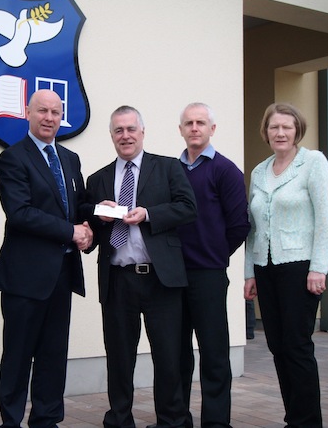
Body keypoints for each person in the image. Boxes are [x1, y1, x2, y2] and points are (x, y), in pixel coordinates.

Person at [85, 105, 197, 428]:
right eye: (118, 130)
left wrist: (148, 214)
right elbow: (91, 230)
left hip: (161, 280)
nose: (125, 136)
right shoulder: (99, 179)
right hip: (119, 281)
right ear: (111, 136)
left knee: (169, 357)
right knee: (119, 359)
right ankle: (119, 420)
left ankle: (172, 421)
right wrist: (96, 217)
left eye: (131, 129)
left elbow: (188, 208)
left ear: (142, 132)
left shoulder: (168, 168)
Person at [0, 89, 93, 428]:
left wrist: (92, 222)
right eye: (42, 111)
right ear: (28, 113)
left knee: (53, 356)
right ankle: (11, 421)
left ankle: (47, 420)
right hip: (24, 277)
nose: (49, 117)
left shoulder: (69, 158)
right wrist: (70, 232)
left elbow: (75, 207)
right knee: (18, 356)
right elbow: (20, 213)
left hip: (62, 274)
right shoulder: (13, 158)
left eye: (55, 111)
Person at [244, 103, 328, 428]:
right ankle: (294, 418)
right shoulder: (259, 171)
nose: (280, 133)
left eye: (287, 126)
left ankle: (308, 422)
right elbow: (252, 226)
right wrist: (250, 272)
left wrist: (319, 268)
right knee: (277, 346)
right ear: (266, 132)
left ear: (297, 129)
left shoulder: (313, 163)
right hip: (266, 269)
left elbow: (327, 220)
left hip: (301, 269)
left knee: (297, 346)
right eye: (274, 127)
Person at [175, 103, 251, 428]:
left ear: (212, 129)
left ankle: (216, 423)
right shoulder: (170, 170)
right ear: (181, 129)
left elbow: (239, 225)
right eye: (189, 123)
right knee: (176, 355)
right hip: (172, 277)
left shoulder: (226, 171)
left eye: (201, 122)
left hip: (208, 276)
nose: (194, 128)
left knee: (214, 355)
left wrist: (216, 255)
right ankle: (177, 420)